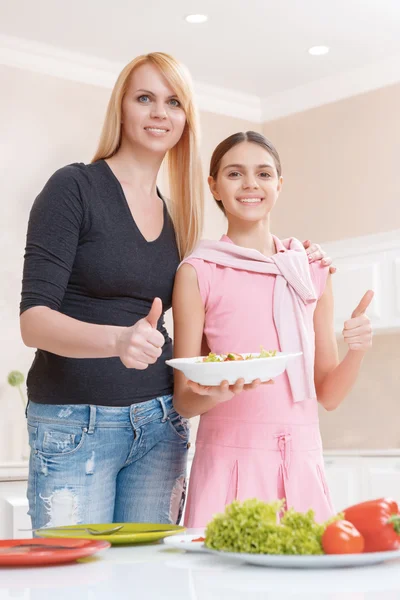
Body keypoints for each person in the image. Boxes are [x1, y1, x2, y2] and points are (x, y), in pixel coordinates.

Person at [20, 51, 333, 529]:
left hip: (161, 426)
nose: (159, 113)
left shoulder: (176, 215)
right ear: (121, 108)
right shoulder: (74, 187)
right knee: (72, 580)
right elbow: (33, 322)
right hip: (76, 424)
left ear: (186, 119)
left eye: (174, 102)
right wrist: (116, 340)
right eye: (145, 98)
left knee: (153, 578)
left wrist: (296, 261)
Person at [172, 131, 373, 527]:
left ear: (279, 185)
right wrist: (218, 392)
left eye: (263, 173)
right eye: (234, 173)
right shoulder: (198, 271)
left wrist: (358, 349)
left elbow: (328, 395)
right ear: (214, 185)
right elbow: (183, 400)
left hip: (301, 461)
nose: (250, 184)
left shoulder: (310, 270)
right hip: (228, 462)